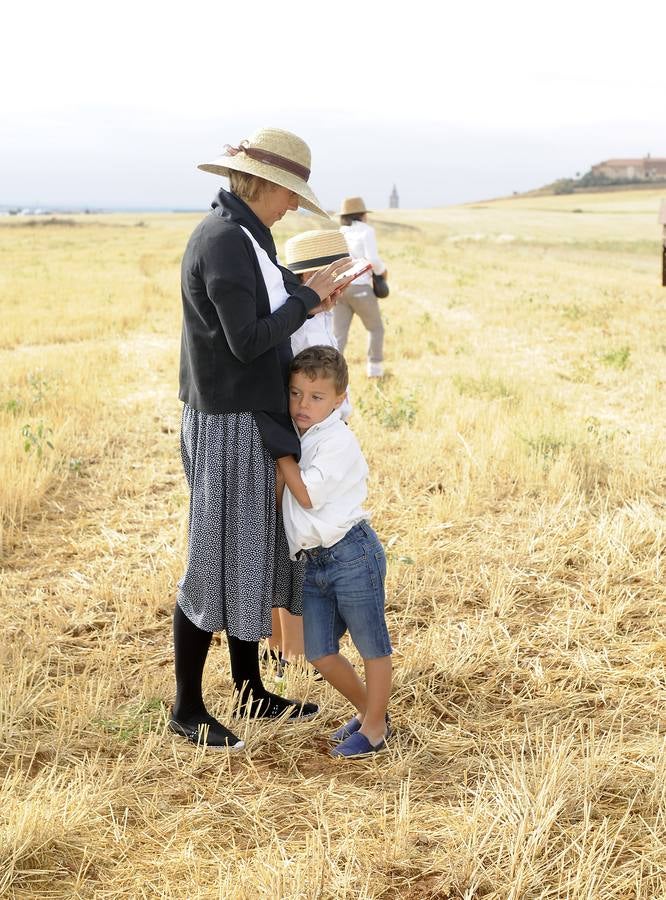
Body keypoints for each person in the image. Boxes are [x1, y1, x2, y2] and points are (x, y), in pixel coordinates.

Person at [172, 127, 356, 751]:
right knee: (214, 559)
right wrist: (306, 299)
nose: (294, 205)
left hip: (246, 415)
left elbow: (264, 318)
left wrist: (311, 298)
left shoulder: (247, 234)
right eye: (290, 193)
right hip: (228, 422)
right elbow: (247, 340)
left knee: (249, 553)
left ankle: (250, 690)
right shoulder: (224, 241)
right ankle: (187, 708)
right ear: (263, 183)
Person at [277, 346, 392, 758]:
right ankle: (372, 714)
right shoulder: (301, 435)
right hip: (312, 562)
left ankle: (374, 731)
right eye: (295, 393)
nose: (302, 404)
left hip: (351, 554)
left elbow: (306, 495)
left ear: (340, 399)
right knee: (319, 652)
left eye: (316, 397)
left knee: (371, 644)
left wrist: (281, 453)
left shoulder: (337, 441)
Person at [265, 230, 358, 676]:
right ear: (313, 278)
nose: (343, 289)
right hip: (303, 439)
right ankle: (289, 651)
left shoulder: (321, 315)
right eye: (338, 280)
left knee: (292, 539)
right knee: (292, 542)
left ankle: (282, 648)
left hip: (322, 434)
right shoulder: (298, 321)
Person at [334, 197, 388, 378]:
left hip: (340, 288)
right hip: (360, 287)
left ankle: (332, 372)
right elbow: (372, 260)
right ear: (362, 214)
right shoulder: (366, 231)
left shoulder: (339, 232)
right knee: (376, 328)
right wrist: (383, 271)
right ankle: (374, 371)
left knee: (338, 335)